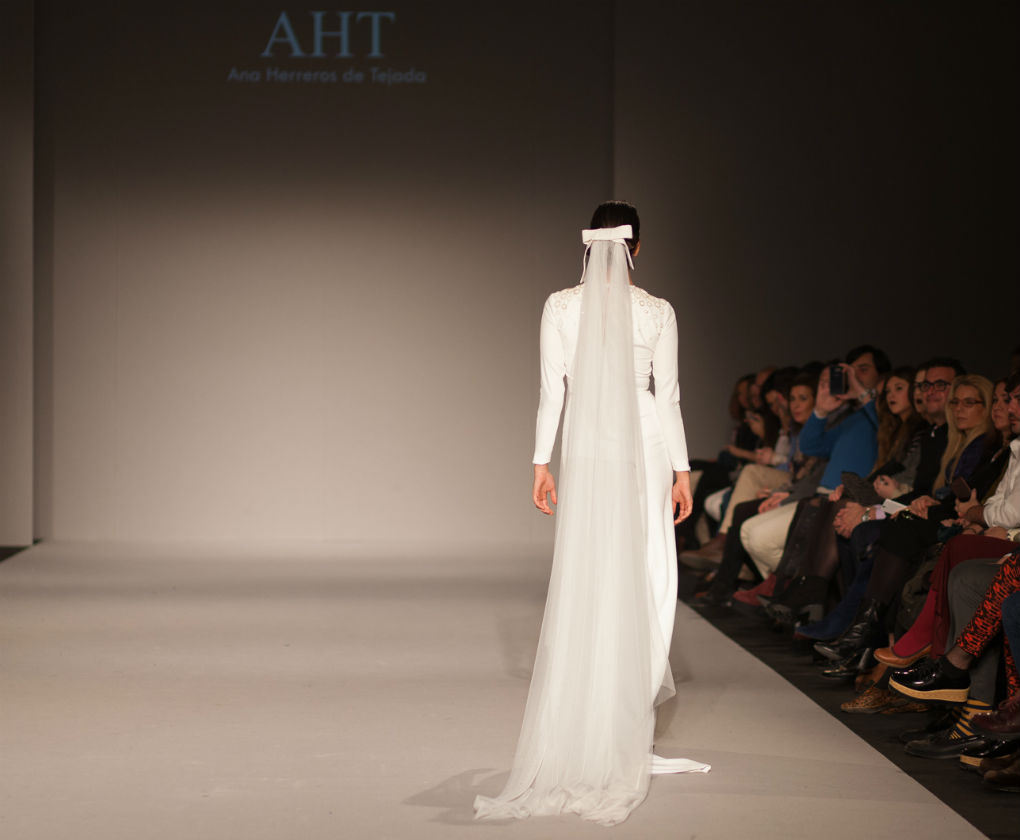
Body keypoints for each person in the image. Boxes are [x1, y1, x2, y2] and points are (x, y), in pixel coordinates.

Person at [474, 202, 709, 827]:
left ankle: (589, 715)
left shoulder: (560, 306)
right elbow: (668, 396)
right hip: (646, 442)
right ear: (638, 247)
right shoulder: (657, 311)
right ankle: (626, 716)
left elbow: (553, 389)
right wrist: (683, 471)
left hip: (586, 442)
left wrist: (540, 462)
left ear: (587, 246)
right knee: (650, 568)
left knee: (591, 567)